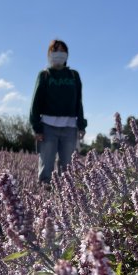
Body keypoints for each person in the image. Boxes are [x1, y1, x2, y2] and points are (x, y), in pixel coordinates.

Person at [29, 39, 87, 184]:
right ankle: (43, 201)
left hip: (69, 127)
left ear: (67, 55)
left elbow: (78, 101)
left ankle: (66, 202)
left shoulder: (74, 75)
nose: (59, 54)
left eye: (62, 51)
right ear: (49, 54)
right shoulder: (44, 75)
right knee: (46, 167)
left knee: (68, 169)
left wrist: (81, 124)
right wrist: (36, 127)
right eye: (55, 50)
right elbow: (35, 102)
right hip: (47, 127)